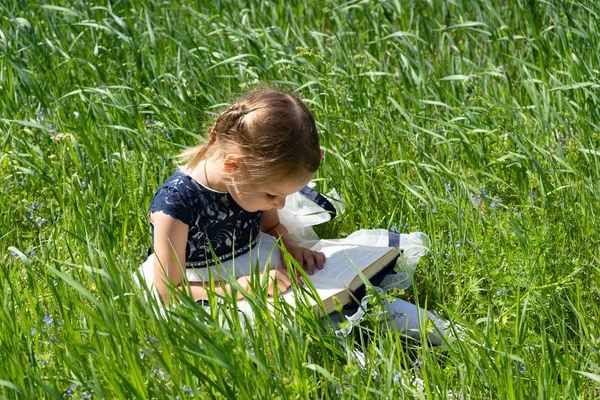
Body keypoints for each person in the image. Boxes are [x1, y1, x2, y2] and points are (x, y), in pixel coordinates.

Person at [140, 88, 326, 308]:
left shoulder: (249, 185)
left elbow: (271, 225)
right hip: (208, 288)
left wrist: (290, 245)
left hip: (256, 259)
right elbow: (169, 293)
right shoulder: (175, 205)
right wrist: (246, 287)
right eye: (272, 195)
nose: (281, 204)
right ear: (233, 167)